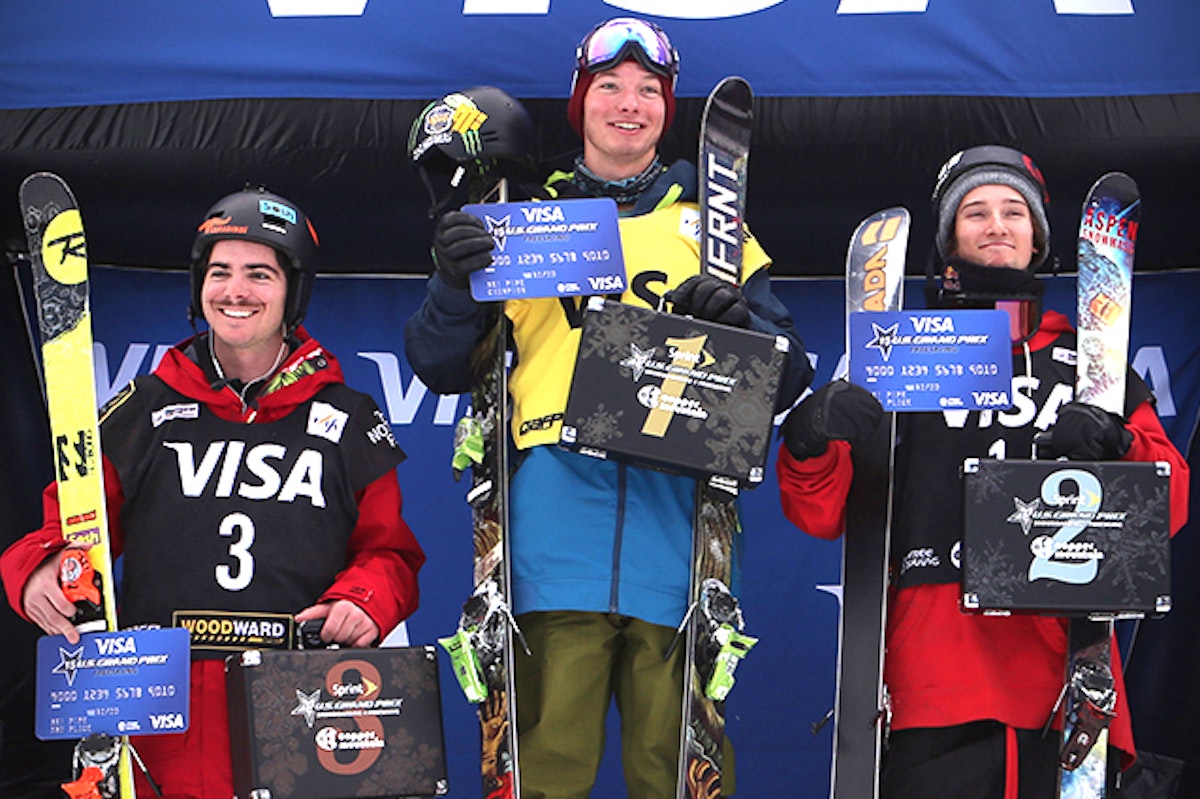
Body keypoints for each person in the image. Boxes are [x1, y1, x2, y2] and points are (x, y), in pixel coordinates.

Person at [405, 17, 812, 799]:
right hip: (553, 525)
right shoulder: (523, 219)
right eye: (610, 88)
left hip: (680, 524)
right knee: (546, 763)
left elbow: (789, 373)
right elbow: (437, 360)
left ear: (667, 108)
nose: (630, 104)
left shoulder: (712, 226)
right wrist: (454, 285)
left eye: (649, 91)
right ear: (580, 103)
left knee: (675, 768)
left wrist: (741, 327)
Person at [776, 145, 1189, 797]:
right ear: (949, 242)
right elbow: (821, 508)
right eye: (975, 212)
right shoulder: (906, 359)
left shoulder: (1090, 364)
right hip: (934, 680)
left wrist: (1117, 442)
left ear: (1037, 239)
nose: (996, 224)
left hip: (1066, 679)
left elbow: (1170, 500)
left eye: (1013, 210)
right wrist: (807, 439)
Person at [1, 186, 426, 797]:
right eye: (219, 272)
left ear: (293, 291)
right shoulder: (143, 408)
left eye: (260, 273)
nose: (236, 291)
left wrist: (364, 601)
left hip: (300, 700)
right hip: (157, 706)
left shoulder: (347, 417)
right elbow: (67, 530)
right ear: (199, 285)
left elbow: (390, 555)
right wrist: (41, 569)